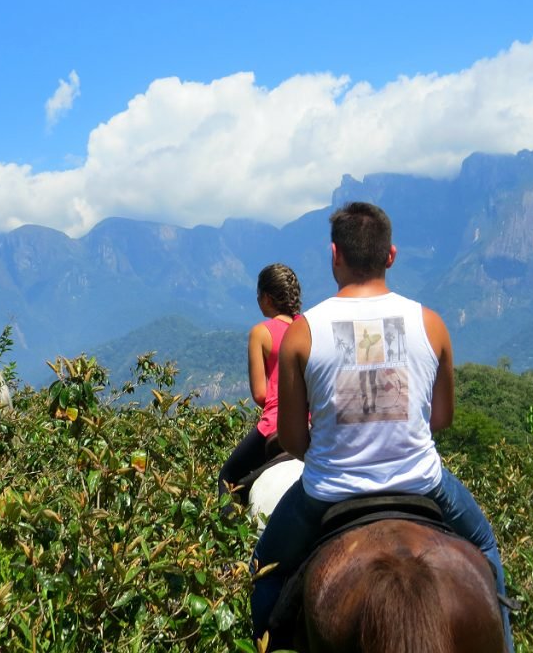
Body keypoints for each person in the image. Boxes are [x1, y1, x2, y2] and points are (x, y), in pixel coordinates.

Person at [250, 201, 514, 652]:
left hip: (328, 492)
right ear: (390, 255)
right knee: (488, 555)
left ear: (335, 255)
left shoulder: (303, 332)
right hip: (422, 483)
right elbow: (442, 419)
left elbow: (293, 440)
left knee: (264, 574)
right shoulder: (431, 325)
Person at [217, 264, 302, 518]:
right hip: (314, 422)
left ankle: (229, 544)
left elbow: (260, 394)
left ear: (266, 297)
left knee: (227, 477)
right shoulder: (308, 328)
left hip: (277, 422)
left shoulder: (261, 333)